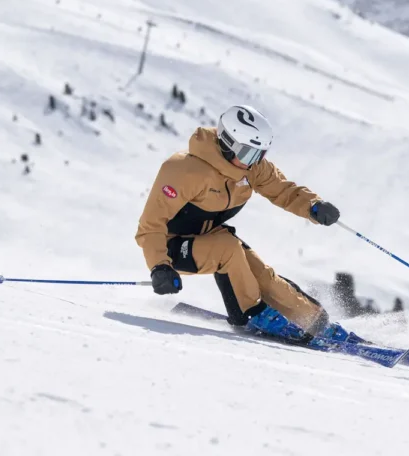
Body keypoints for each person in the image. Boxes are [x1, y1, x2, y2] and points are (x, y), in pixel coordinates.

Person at [136, 105, 352, 346]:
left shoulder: (252, 168)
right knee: (227, 248)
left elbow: (283, 190)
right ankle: (253, 313)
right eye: (249, 153)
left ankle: (314, 322)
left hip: (210, 238)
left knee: (262, 274)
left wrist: (313, 206)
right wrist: (159, 267)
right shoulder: (184, 170)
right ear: (227, 143)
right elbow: (151, 225)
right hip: (171, 247)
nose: (254, 162)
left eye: (260, 154)